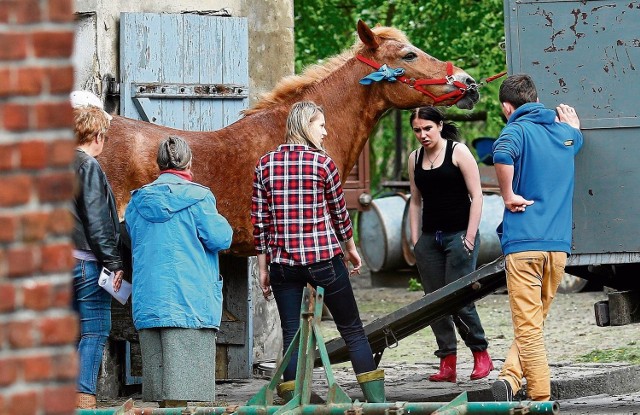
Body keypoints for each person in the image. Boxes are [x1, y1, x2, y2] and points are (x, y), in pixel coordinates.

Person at [251, 101, 385, 403]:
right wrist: (350, 249)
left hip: (282, 265)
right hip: (323, 259)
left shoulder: (265, 164)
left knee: (291, 333)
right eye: (320, 125)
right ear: (305, 125)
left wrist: (263, 268)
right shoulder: (323, 164)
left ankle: (296, 401)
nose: (325, 132)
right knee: (352, 329)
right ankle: (378, 403)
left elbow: (260, 222)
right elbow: (340, 215)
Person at [490, 74, 583, 402]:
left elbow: (501, 154)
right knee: (534, 321)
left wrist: (508, 194)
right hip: (557, 251)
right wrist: (574, 128)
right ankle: (510, 378)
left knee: (529, 330)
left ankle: (540, 403)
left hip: (524, 246)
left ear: (507, 106)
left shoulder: (515, 130)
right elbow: (577, 140)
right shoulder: (563, 134)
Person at [125, 136, 233, 407]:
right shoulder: (199, 198)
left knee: (164, 396)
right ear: (189, 162)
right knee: (187, 399)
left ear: (159, 164)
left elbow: (130, 237)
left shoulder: (137, 202)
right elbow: (221, 239)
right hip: (191, 303)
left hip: (151, 303)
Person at [407, 106, 493, 383]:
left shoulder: (458, 151)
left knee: (459, 300)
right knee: (434, 303)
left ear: (440, 125)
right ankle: (448, 363)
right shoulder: (414, 158)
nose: (423, 135)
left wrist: (469, 236)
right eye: (417, 130)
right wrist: (414, 240)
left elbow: (477, 196)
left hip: (459, 236)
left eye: (427, 128)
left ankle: (481, 355)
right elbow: (415, 201)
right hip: (430, 239)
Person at [70, 93, 124, 409]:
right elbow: (97, 220)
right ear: (98, 135)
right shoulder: (87, 165)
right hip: (85, 263)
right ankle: (82, 397)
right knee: (93, 331)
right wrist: (114, 262)